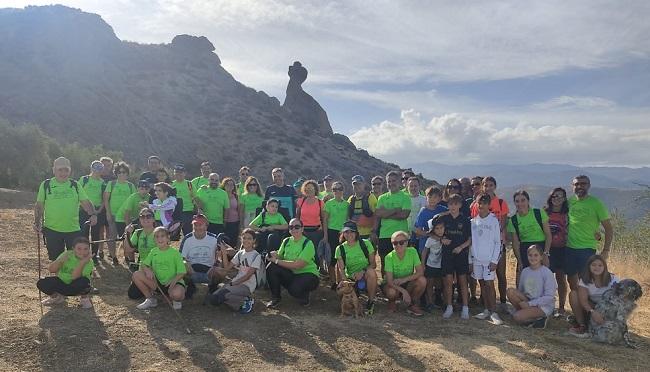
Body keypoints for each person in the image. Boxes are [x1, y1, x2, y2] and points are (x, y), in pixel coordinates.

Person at [34, 157, 97, 261]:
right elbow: (39, 206)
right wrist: (37, 223)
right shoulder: (46, 185)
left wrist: (93, 214)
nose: (63, 173)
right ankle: (59, 277)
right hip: (52, 230)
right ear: (53, 170)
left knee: (75, 260)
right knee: (57, 260)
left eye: (66, 170)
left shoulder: (75, 185)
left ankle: (74, 277)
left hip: (73, 230)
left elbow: (86, 202)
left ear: (70, 170)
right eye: (60, 169)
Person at [566, 175, 613, 291]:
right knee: (571, 278)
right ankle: (576, 304)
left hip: (587, 248)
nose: (580, 186)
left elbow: (608, 228)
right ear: (572, 186)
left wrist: (606, 250)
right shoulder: (569, 202)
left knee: (586, 280)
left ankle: (587, 307)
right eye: (576, 184)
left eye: (583, 184)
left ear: (589, 186)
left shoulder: (596, 203)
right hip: (569, 247)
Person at [470, 176, 509, 305]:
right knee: (483, 276)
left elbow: (503, 221)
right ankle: (485, 300)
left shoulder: (501, 203)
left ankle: (503, 301)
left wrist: (494, 233)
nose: (488, 188)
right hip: (482, 244)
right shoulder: (477, 203)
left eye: (490, 185)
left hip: (497, 242)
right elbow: (476, 222)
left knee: (500, 274)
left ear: (495, 186)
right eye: (485, 185)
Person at [265, 218, 320, 308]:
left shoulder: (308, 243)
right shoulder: (286, 241)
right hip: (292, 273)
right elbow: (280, 256)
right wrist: (273, 255)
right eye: (291, 227)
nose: (293, 229)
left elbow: (298, 265)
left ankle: (304, 294)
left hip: (308, 275)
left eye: (297, 227)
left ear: (302, 229)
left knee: (294, 290)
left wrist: (276, 260)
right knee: (271, 267)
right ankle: (275, 298)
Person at [131, 227, 187, 310]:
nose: (159, 239)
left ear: (168, 238)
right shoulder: (154, 251)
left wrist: (171, 285)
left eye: (162, 236)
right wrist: (147, 270)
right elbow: (144, 264)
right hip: (158, 283)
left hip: (174, 282)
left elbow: (182, 272)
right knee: (136, 275)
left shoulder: (175, 253)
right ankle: (150, 299)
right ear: (154, 239)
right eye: (156, 236)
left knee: (176, 294)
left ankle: (176, 300)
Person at [209, 228, 261, 314]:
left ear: (254, 241)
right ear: (241, 239)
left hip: (247, 286)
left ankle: (246, 301)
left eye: (249, 238)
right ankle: (241, 300)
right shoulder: (240, 253)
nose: (246, 241)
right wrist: (224, 252)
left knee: (223, 295)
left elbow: (247, 276)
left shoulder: (256, 256)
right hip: (236, 282)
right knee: (214, 299)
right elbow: (226, 268)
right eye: (244, 238)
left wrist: (232, 284)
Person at [470, 193, 504, 325]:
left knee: (490, 284)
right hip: (477, 260)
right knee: (482, 284)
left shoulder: (493, 220)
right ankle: (486, 310)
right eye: (480, 202)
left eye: (485, 203)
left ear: (489, 205)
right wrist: (471, 260)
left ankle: (494, 312)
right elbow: (471, 242)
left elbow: (497, 242)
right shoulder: (473, 222)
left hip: (489, 260)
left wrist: (495, 260)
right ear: (476, 204)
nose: (482, 205)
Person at [507, 244, 557, 328]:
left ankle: (541, 318)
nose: (533, 258)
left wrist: (530, 304)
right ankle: (527, 315)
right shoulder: (525, 271)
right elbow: (521, 291)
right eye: (530, 255)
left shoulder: (546, 272)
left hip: (542, 306)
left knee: (517, 317)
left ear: (541, 257)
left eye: (536, 255)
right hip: (529, 300)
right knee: (510, 291)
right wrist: (526, 303)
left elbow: (549, 297)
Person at [568, 255, 619, 337]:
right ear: (589, 266)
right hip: (592, 305)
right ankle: (582, 325)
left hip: (608, 307)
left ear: (604, 267)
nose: (597, 268)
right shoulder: (584, 279)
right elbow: (583, 300)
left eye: (600, 265)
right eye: (593, 265)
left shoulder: (613, 279)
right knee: (573, 294)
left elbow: (619, 297)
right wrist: (593, 312)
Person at [37, 236, 94, 309]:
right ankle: (56, 298)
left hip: (77, 287)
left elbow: (74, 277)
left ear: (89, 250)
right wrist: (61, 260)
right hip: (62, 284)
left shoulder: (89, 261)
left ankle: (84, 299)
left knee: (84, 281)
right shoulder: (67, 254)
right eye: (79, 249)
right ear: (73, 249)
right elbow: (51, 270)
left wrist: (82, 263)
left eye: (86, 249)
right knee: (42, 282)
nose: (82, 251)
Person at [334, 221, 378, 315]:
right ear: (343, 234)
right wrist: (346, 284)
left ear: (356, 233)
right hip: (351, 279)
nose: (349, 234)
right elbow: (341, 269)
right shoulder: (340, 248)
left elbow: (373, 264)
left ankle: (370, 302)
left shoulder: (365, 244)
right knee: (344, 296)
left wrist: (362, 271)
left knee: (371, 272)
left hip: (364, 275)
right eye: (346, 232)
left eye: (352, 231)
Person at [440, 194, 472, 319]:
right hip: (447, 253)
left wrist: (461, 247)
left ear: (460, 205)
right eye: (450, 204)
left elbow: (470, 239)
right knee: (448, 281)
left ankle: (465, 307)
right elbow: (433, 232)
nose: (453, 206)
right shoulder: (443, 218)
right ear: (447, 205)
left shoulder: (465, 220)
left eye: (455, 204)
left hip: (461, 254)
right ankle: (449, 306)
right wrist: (441, 238)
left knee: (462, 281)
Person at [507, 190, 552, 277]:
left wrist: (546, 254)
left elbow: (548, 235)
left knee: (542, 279)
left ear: (528, 201)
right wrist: (519, 261)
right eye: (517, 201)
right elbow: (515, 244)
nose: (520, 203)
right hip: (525, 250)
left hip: (541, 248)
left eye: (523, 200)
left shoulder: (538, 213)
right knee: (522, 282)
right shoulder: (513, 220)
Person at [381, 230, 426, 316]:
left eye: (401, 242)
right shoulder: (389, 257)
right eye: (395, 243)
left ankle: (412, 303)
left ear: (406, 243)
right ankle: (392, 301)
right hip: (393, 284)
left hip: (406, 281)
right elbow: (390, 281)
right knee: (391, 292)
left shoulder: (413, 251)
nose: (398, 245)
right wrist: (404, 291)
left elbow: (420, 272)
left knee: (422, 280)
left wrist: (404, 280)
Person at [375, 171, 411, 275]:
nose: (391, 183)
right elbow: (378, 214)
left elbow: (404, 215)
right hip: (384, 235)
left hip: (401, 236)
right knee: (384, 263)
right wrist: (395, 209)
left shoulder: (405, 196)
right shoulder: (382, 197)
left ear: (399, 182)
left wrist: (386, 213)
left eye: (393, 181)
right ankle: (386, 288)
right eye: (388, 182)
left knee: (402, 263)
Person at [177, 214, 220, 299]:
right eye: (195, 225)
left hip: (208, 268)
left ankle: (213, 288)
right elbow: (181, 257)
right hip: (192, 268)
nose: (197, 227)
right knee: (183, 265)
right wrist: (189, 268)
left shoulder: (214, 238)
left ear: (206, 226)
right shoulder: (187, 238)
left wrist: (228, 251)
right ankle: (191, 286)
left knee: (221, 271)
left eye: (200, 225)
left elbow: (228, 250)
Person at [103, 161, 135, 265]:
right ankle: (113, 257)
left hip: (125, 217)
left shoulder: (131, 186)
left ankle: (127, 256)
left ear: (127, 173)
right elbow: (106, 199)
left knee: (127, 238)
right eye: (119, 172)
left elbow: (134, 201)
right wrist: (108, 213)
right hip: (113, 215)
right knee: (112, 237)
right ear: (116, 173)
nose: (122, 174)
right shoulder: (111, 184)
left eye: (124, 172)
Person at [544, 187, 570, 317]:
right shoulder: (545, 212)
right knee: (547, 279)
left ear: (564, 199)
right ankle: (548, 306)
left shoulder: (568, 214)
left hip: (563, 249)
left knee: (561, 278)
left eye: (560, 196)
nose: (556, 199)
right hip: (548, 249)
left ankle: (561, 308)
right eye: (554, 196)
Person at [78, 160, 106, 262]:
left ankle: (94, 256)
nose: (97, 171)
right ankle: (84, 255)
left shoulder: (102, 182)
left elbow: (104, 198)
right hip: (83, 210)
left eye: (100, 169)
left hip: (97, 211)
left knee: (95, 234)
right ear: (91, 168)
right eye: (95, 168)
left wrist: (99, 210)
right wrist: (85, 207)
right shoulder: (84, 179)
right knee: (83, 233)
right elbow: (78, 194)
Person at [323, 182, 350, 283]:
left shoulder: (347, 204)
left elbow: (348, 219)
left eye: (339, 189)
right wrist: (325, 235)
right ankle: (333, 282)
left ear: (343, 190)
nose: (337, 191)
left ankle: (341, 281)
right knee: (332, 258)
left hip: (343, 233)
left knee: (341, 258)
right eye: (334, 189)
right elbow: (325, 220)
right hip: (331, 232)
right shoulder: (328, 203)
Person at [420, 216, 447, 311]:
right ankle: (430, 302)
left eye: (441, 228)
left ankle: (440, 300)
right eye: (437, 228)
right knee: (430, 283)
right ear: (433, 229)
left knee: (439, 283)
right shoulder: (430, 240)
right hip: (431, 264)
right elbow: (424, 252)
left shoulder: (446, 238)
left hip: (441, 265)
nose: (440, 231)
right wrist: (423, 264)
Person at [296, 179, 328, 251]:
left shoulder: (320, 203)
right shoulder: (300, 201)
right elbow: (297, 218)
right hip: (303, 232)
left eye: (310, 188)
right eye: (306, 188)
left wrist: (325, 235)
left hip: (316, 233)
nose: (308, 190)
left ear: (315, 189)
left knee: (316, 255)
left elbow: (324, 220)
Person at [414, 186, 447, 253]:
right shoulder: (423, 211)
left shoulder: (442, 209)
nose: (432, 199)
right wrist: (432, 235)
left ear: (440, 199)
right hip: (425, 244)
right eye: (430, 197)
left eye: (435, 197)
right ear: (426, 198)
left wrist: (442, 214)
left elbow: (451, 211)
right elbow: (418, 231)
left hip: (439, 245)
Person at [123, 208, 157, 273]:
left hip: (158, 266)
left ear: (153, 219)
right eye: (142, 217)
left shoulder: (159, 233)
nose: (145, 219)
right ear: (140, 219)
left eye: (148, 216)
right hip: (143, 267)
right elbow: (128, 250)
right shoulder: (138, 233)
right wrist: (128, 234)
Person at [347, 175, 377, 240]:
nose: (357, 186)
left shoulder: (370, 197)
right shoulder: (351, 199)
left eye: (359, 184)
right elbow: (348, 217)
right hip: (354, 234)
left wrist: (374, 232)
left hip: (368, 235)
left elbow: (376, 216)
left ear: (364, 185)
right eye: (355, 184)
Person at [171, 164, 195, 236]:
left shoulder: (189, 184)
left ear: (185, 173)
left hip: (187, 212)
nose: (178, 174)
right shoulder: (171, 184)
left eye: (181, 172)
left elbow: (195, 197)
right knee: (174, 235)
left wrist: (199, 209)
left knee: (188, 234)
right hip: (174, 212)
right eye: (176, 172)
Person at [405, 177, 427, 246]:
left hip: (420, 233)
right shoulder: (403, 199)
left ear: (419, 186)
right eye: (411, 186)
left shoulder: (425, 200)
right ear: (407, 187)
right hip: (406, 233)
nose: (413, 188)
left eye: (415, 186)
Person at [221, 177, 240, 244]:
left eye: (231, 185)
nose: (230, 186)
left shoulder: (236, 196)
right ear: (224, 185)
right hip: (224, 222)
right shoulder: (221, 195)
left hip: (235, 222)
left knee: (233, 240)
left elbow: (239, 209)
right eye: (227, 184)